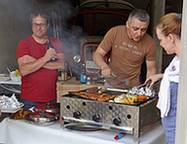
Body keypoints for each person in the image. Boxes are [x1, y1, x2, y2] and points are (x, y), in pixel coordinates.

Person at [93, 9, 157, 88]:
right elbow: (98, 54)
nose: (139, 33)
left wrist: (147, 88)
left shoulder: (149, 43)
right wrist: (104, 67)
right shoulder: (114, 32)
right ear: (127, 24)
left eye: (143, 30)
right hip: (111, 84)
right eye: (135, 29)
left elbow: (151, 70)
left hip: (133, 87)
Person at [16, 10, 64, 109]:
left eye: (42, 24)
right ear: (31, 25)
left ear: (48, 25)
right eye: (35, 24)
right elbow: (24, 70)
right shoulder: (24, 44)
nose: (38, 28)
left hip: (52, 99)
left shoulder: (56, 42)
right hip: (30, 100)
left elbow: (63, 65)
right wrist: (46, 58)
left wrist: (34, 62)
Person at [146, 13, 181, 144]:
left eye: (161, 39)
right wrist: (161, 76)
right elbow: (177, 76)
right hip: (170, 123)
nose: (160, 44)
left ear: (171, 37)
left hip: (177, 125)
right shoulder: (177, 58)